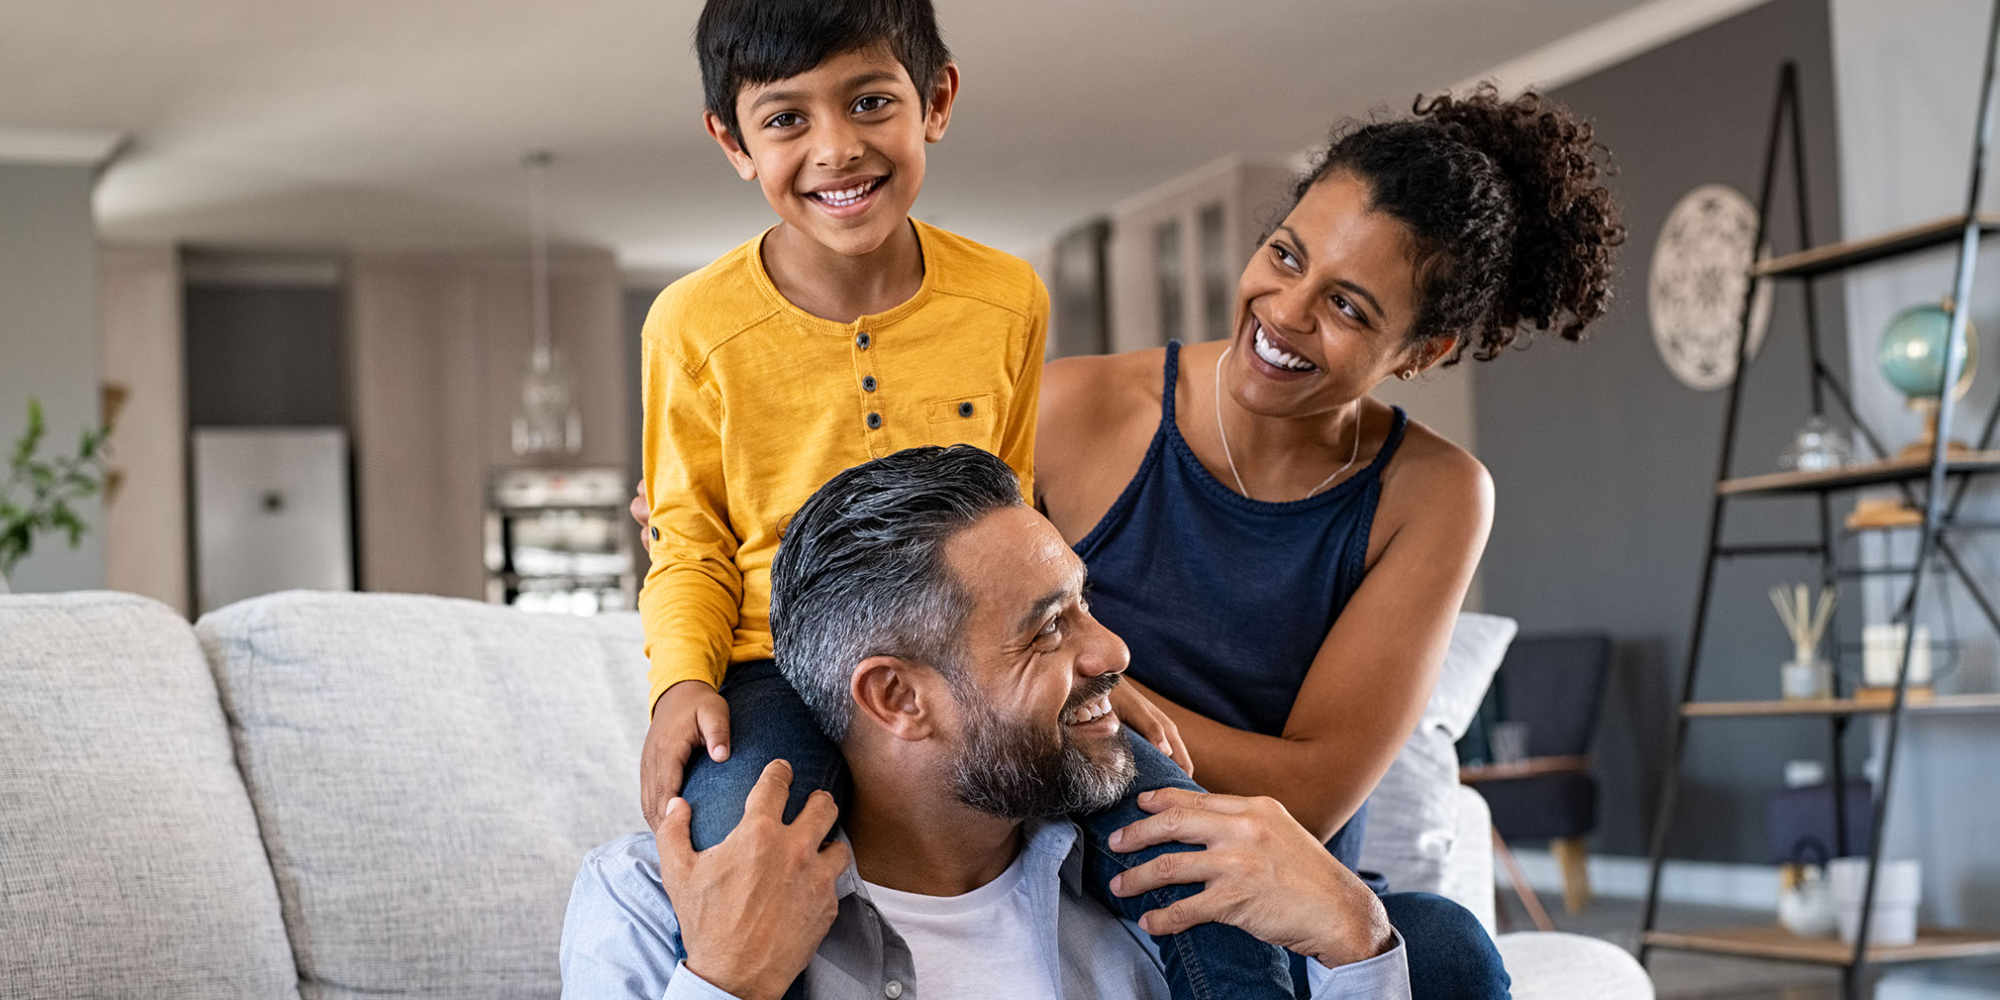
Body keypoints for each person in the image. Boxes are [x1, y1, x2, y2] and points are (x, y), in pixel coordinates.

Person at [635, 0, 1297, 995]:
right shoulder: (689, 325)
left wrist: (1092, 673)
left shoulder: (1005, 297)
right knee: (741, 842)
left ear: (934, 99)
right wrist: (679, 683)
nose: (835, 148)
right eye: (785, 120)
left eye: (869, 101)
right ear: (731, 141)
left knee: (1183, 832)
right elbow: (688, 536)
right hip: (768, 658)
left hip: (971, 664)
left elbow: (1014, 521)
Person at [1034, 87, 1625, 997]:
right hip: (1076, 847)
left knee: (1449, 948)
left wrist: (1096, 693)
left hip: (1286, 879)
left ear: (1422, 353)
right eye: (1285, 255)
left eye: (1347, 306)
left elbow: (1313, 791)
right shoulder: (1069, 409)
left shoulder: (1431, 494)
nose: (1283, 311)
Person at [566, 446, 1411, 1000]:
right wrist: (727, 983)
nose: (1114, 651)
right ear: (896, 698)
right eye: (1049, 627)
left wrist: (1359, 941)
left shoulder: (1177, 897)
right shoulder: (651, 907)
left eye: (1087, 605)